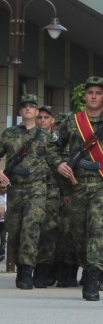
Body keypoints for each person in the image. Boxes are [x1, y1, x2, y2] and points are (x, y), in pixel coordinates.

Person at [54, 77, 103, 301]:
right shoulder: (72, 121)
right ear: (85, 96)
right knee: (80, 234)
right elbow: (52, 146)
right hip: (78, 187)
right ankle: (88, 268)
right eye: (90, 93)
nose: (94, 96)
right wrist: (59, 163)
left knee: (99, 233)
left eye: (98, 93)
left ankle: (94, 278)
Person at [0, 94, 59, 289]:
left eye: (31, 107)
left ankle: (27, 270)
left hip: (36, 189)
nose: (28, 109)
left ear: (36, 112)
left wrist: (64, 167)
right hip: (15, 189)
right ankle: (20, 265)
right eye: (24, 106)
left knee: (31, 228)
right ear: (20, 111)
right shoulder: (9, 134)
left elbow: (54, 159)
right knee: (14, 231)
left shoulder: (44, 136)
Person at [33, 105, 61, 287]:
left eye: (46, 117)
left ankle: (45, 270)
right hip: (34, 189)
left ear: (53, 120)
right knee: (32, 228)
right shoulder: (31, 138)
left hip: (53, 189)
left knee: (49, 230)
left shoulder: (58, 140)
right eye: (40, 117)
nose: (42, 120)